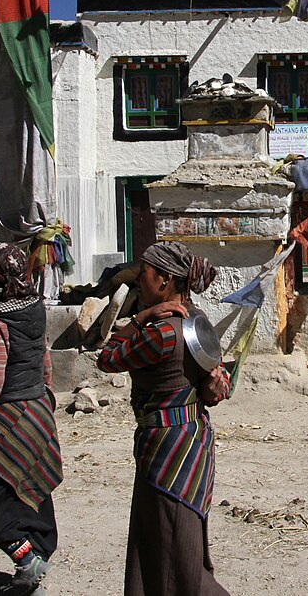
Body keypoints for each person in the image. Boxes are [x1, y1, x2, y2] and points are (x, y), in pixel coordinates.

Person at [97, 240, 232, 596]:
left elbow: (107, 358)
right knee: (166, 545)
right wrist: (213, 389)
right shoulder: (197, 320)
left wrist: (139, 318)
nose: (137, 280)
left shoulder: (160, 332)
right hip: (192, 442)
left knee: (177, 557)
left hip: (166, 453)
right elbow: (217, 381)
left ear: (165, 280)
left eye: (143, 273)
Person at [0, 243, 63, 596]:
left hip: (8, 418)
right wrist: (46, 396)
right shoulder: (35, 307)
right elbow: (44, 357)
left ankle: (26, 558)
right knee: (31, 491)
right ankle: (34, 564)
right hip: (38, 412)